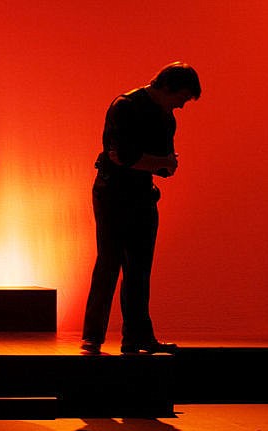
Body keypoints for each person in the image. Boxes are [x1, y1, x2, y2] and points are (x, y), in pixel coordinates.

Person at [81, 62, 201, 355]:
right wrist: (156, 162)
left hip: (141, 194)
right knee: (109, 262)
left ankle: (136, 337)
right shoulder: (126, 106)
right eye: (181, 97)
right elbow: (124, 157)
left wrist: (153, 162)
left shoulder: (166, 117)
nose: (182, 105)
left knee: (139, 268)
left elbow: (156, 163)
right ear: (168, 87)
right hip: (113, 193)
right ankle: (93, 336)